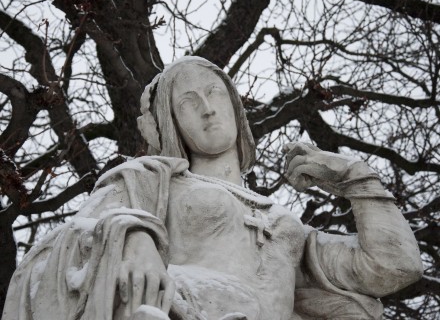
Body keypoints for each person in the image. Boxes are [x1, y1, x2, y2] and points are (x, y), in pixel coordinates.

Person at [3, 56, 423, 320]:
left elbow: (394, 267)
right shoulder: (153, 178)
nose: (206, 109)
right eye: (187, 102)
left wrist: (354, 175)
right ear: (172, 123)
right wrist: (131, 238)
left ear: (235, 107)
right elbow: (74, 239)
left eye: (213, 93)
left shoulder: (286, 226)